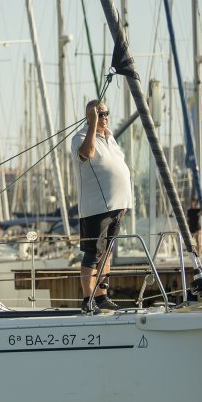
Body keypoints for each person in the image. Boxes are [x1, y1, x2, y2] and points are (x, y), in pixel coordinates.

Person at [72, 99, 134, 313]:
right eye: (100, 114)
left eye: (107, 113)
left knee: (106, 253)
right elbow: (86, 153)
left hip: (117, 206)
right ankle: (87, 299)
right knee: (93, 254)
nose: (105, 118)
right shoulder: (81, 137)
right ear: (90, 117)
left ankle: (101, 297)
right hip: (97, 208)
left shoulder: (110, 138)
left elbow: (118, 167)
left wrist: (124, 202)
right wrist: (92, 124)